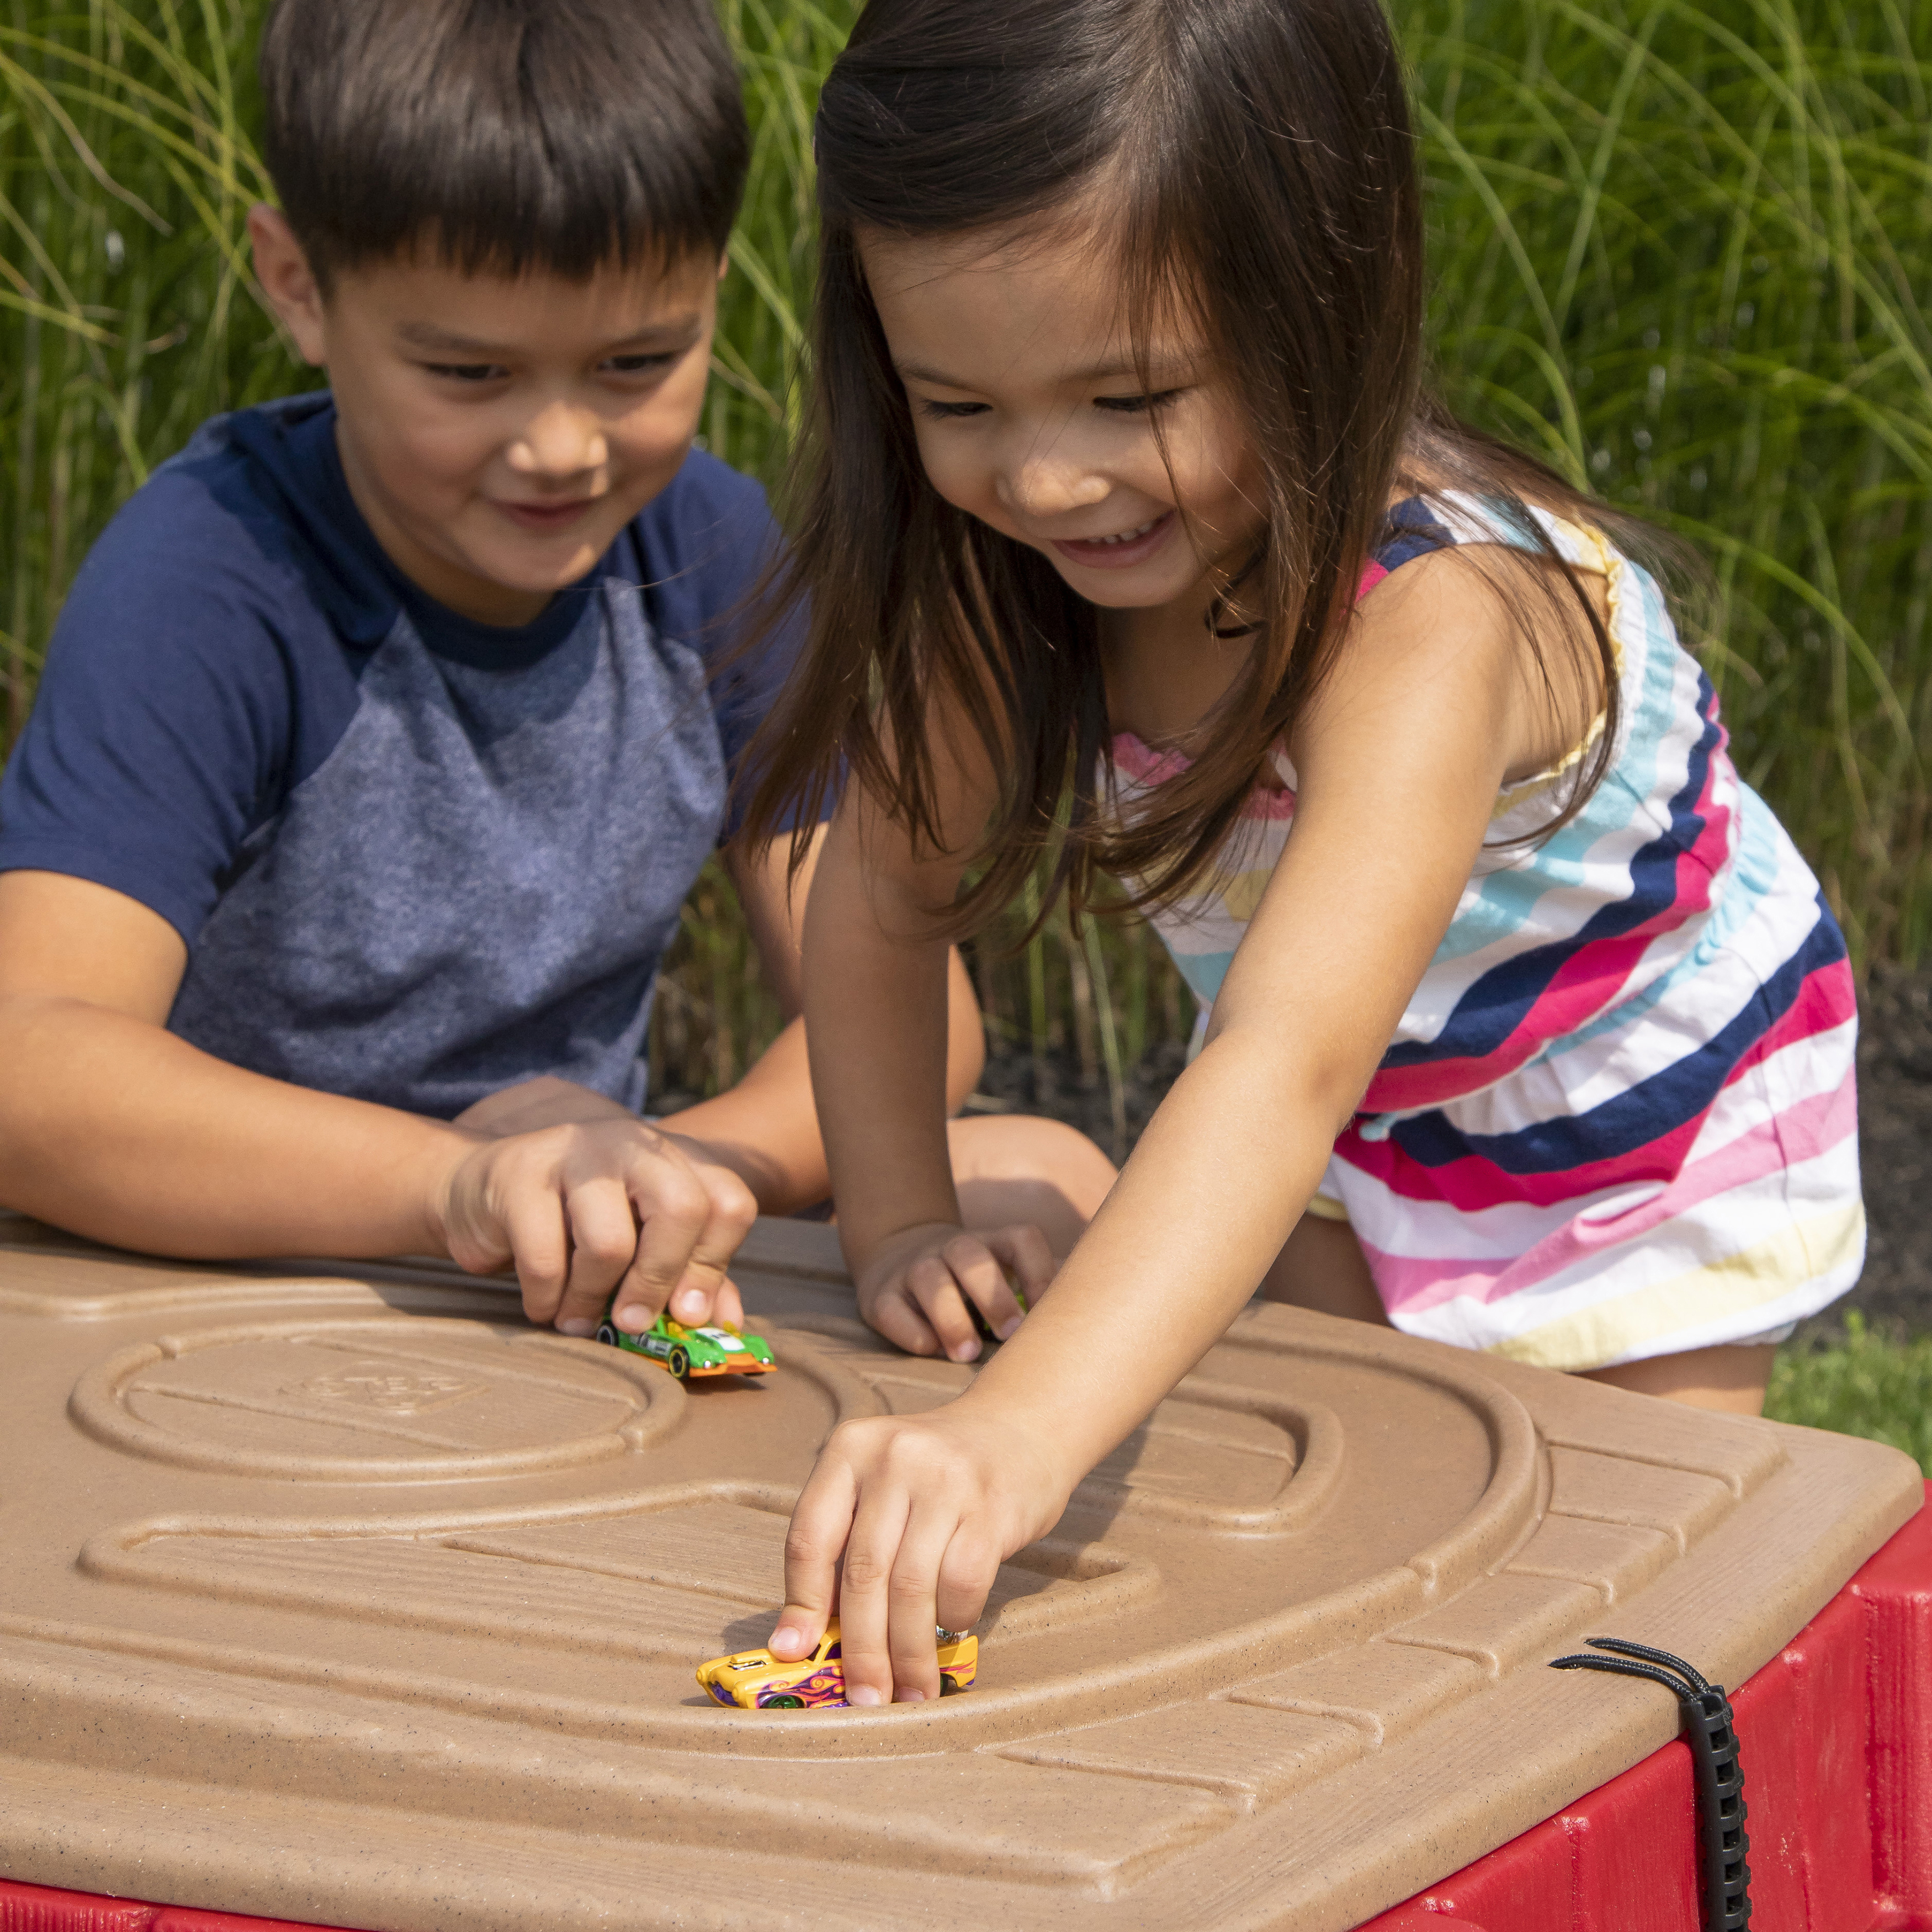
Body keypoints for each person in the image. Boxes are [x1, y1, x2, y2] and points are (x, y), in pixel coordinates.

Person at [737, 0, 1865, 1704]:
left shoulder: (1436, 619)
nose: (1046, 478)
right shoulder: (1012, 584)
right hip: (1361, 1107)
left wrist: (1012, 1431)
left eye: (1127, 395)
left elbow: (1279, 1057)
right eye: (954, 402)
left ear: (1320, 302)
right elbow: (881, 900)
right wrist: (896, 1223)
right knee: (1346, 1539)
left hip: (1635, 1121)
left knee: (1617, 1612)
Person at [0, 0, 1114, 1341]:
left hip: (583, 1229)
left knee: (1049, 1171)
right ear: (299, 286)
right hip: (268, 1251)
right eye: (469, 371)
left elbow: (919, 1015)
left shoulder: (706, 551)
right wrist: (461, 1183)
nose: (562, 449)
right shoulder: (216, 575)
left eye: (636, 363)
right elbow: (33, 1068)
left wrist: (647, 1180)